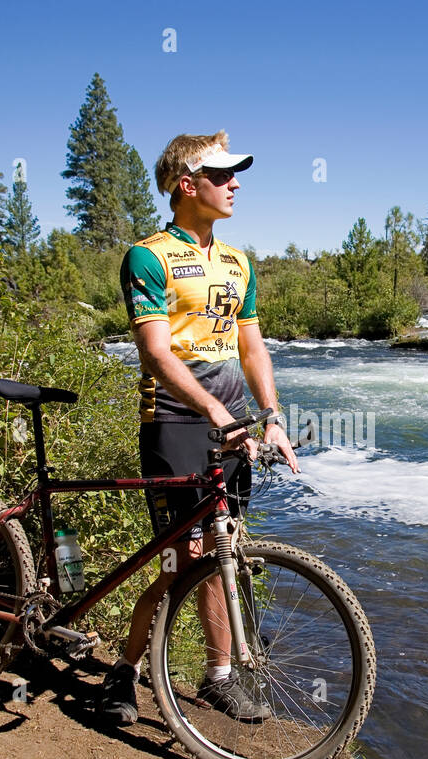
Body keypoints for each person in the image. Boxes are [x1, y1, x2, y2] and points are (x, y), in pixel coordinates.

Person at [99, 130, 299, 725]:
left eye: (236, 175)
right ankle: (125, 670)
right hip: (176, 421)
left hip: (232, 420)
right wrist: (211, 410)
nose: (235, 184)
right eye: (223, 175)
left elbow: (253, 347)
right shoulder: (148, 255)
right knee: (181, 559)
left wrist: (272, 417)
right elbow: (156, 354)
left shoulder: (239, 262)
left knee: (224, 549)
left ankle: (217, 676)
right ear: (188, 186)